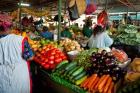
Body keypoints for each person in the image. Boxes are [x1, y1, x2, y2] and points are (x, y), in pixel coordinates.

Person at [0, 14, 34, 93]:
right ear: (11, 27)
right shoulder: (20, 40)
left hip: (2, 75)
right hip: (19, 75)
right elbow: (30, 57)